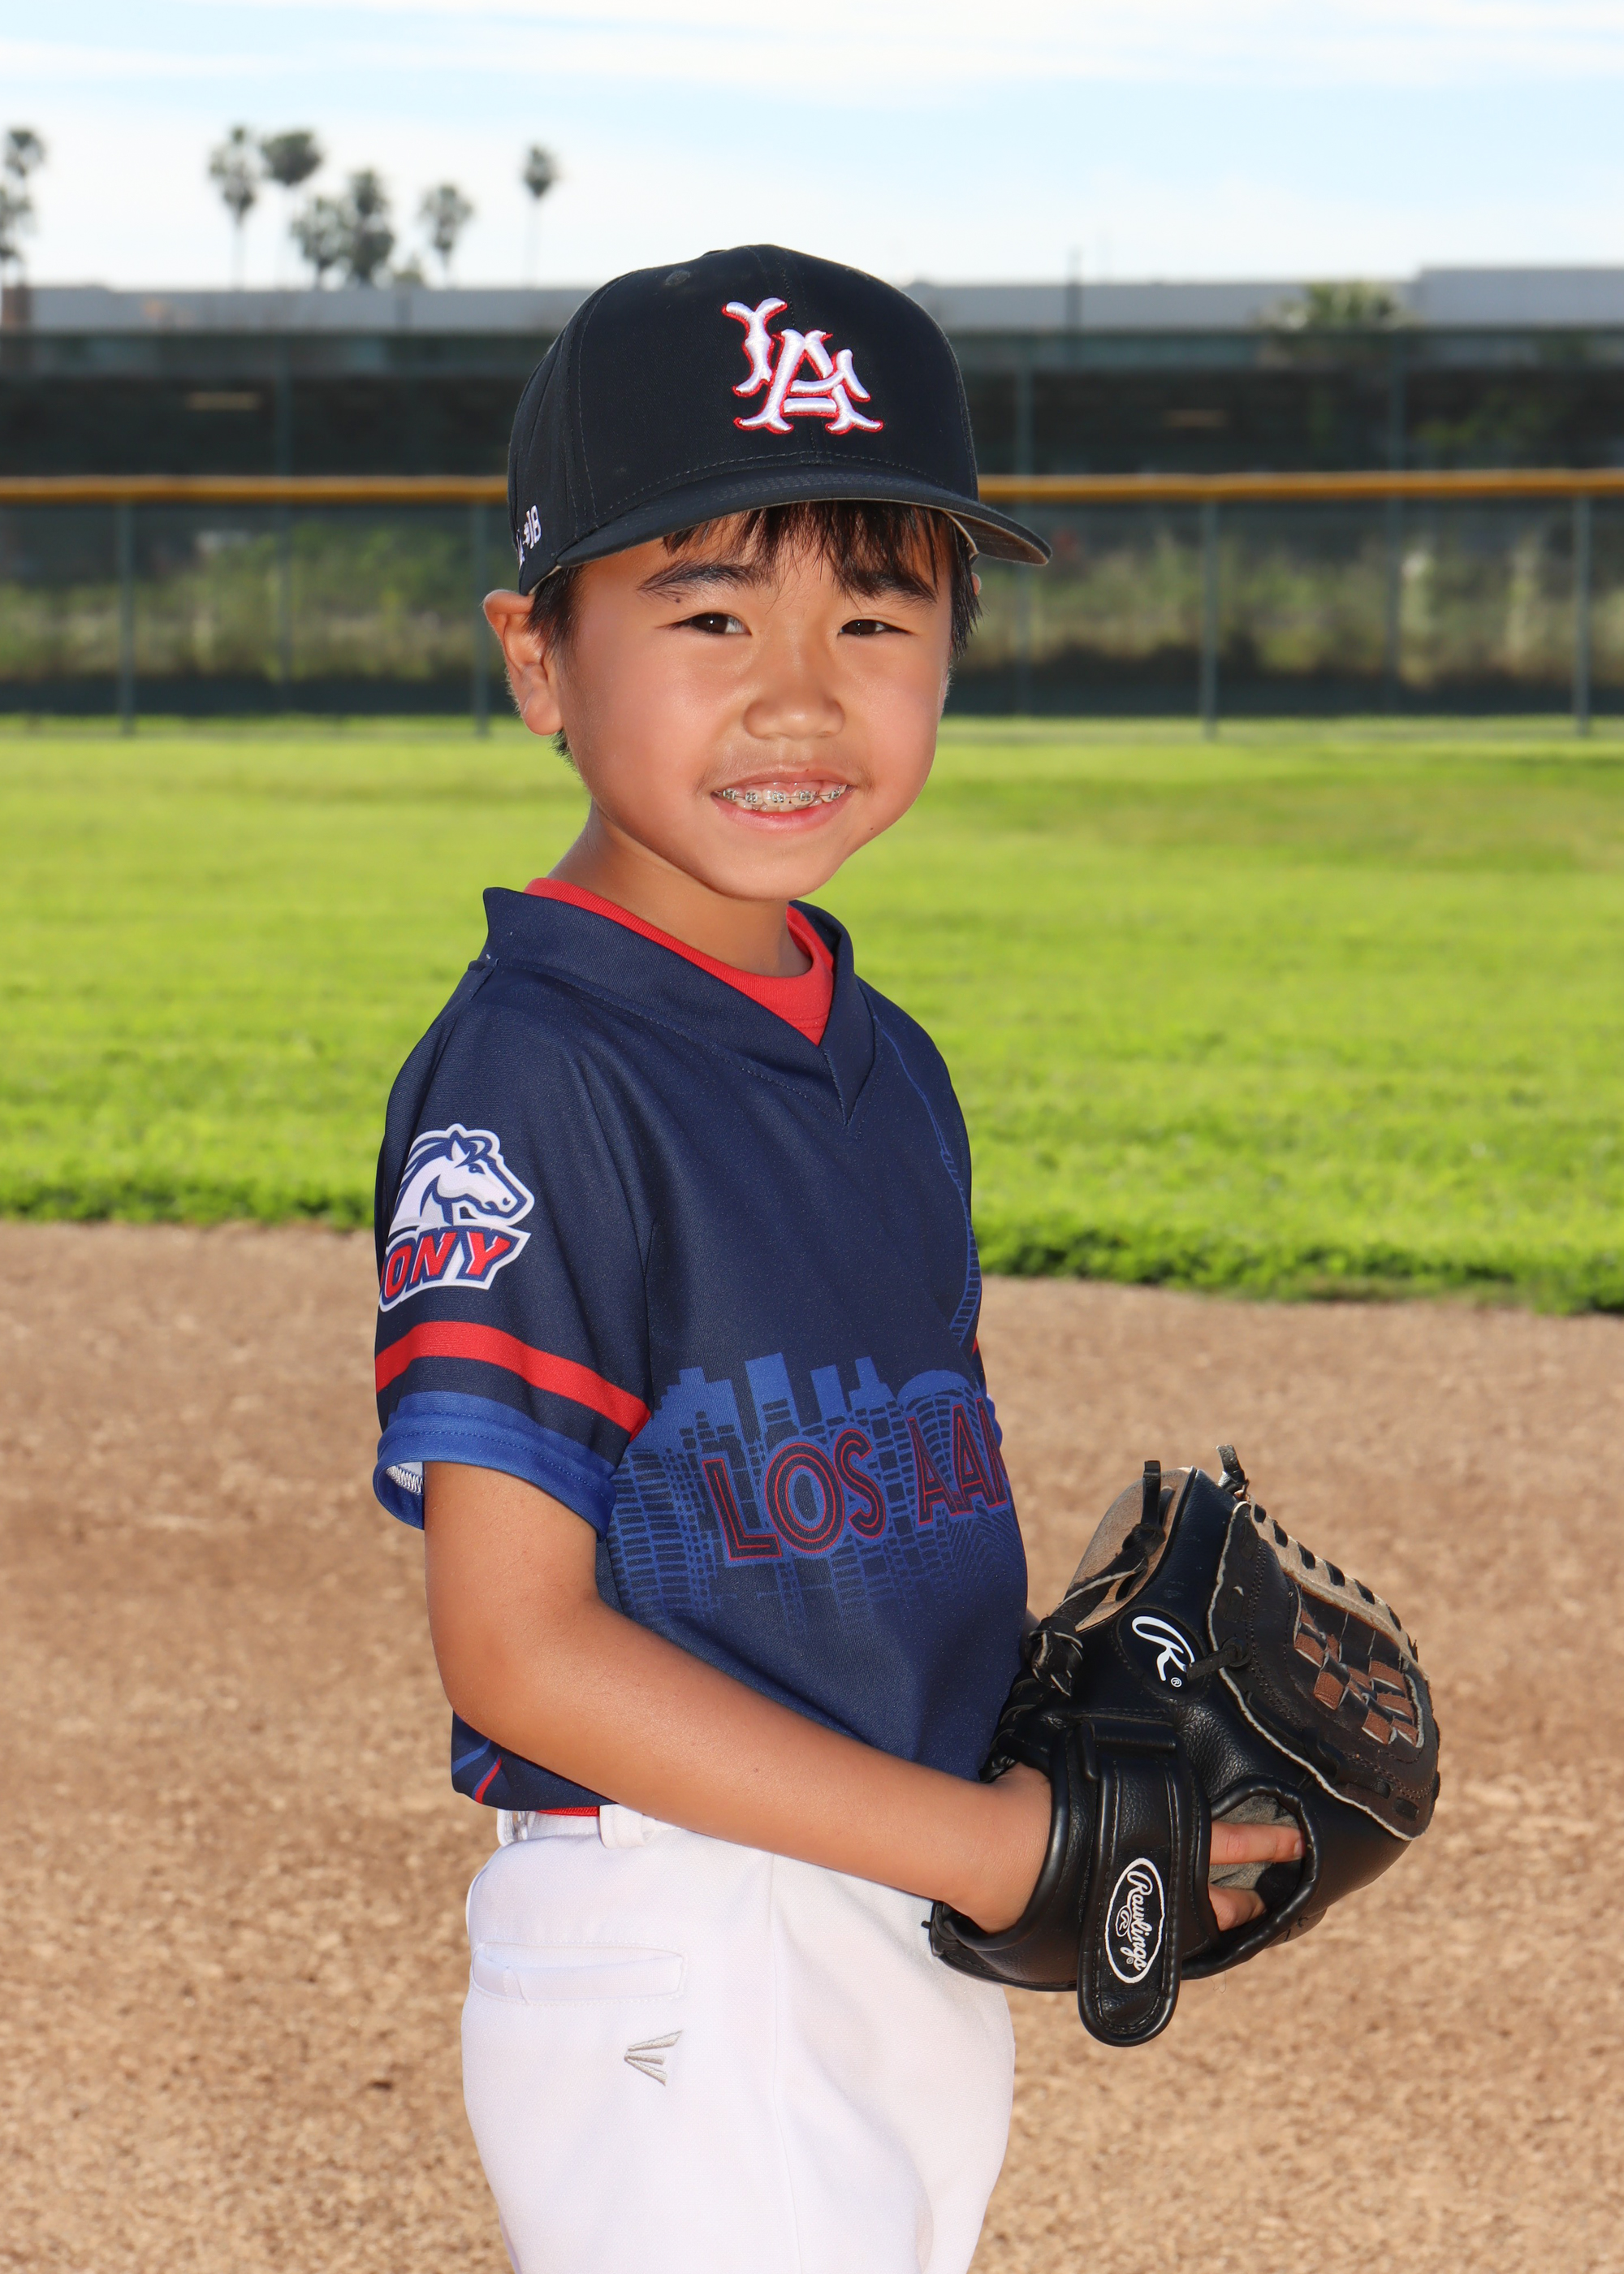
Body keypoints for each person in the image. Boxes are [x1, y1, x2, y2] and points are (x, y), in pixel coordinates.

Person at [371, 244, 1299, 2274]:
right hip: (687, 1928)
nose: (798, 693)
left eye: (874, 616)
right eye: (709, 612)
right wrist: (994, 1840)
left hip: (877, 1889)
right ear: (539, 658)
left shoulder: (887, 1062)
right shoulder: (537, 1071)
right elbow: (514, 1646)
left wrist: (1041, 1762)